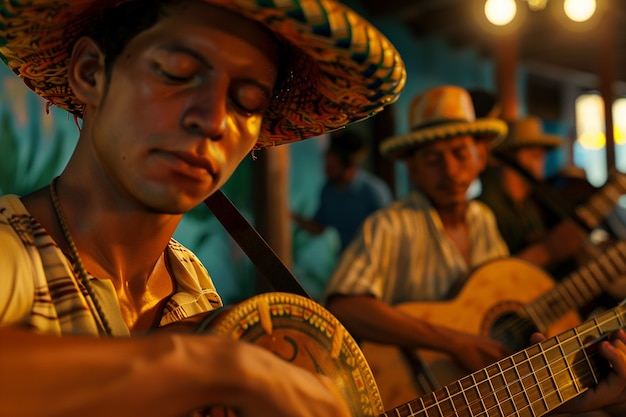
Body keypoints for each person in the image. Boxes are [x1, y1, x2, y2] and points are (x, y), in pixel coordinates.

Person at [0, 0, 407, 416]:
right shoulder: (13, 253)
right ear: (91, 72)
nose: (213, 120)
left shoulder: (192, 283)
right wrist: (213, 364)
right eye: (176, 72)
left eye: (247, 103)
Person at [323, 85, 626, 415]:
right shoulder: (390, 224)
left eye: (460, 154)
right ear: (414, 169)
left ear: (480, 157)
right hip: (408, 393)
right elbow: (345, 305)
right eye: (433, 159)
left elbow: (492, 299)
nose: (451, 171)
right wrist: (453, 342)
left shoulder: (482, 219)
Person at [478, 116, 590, 273]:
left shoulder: (528, 205)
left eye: (540, 156)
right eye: (534, 155)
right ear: (512, 161)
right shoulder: (487, 209)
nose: (540, 163)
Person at [291, 131, 393, 253]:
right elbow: (319, 227)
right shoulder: (328, 191)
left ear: (350, 168)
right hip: (346, 263)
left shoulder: (373, 192)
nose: (325, 171)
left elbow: (388, 234)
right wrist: (291, 216)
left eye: (331, 167)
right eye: (326, 165)